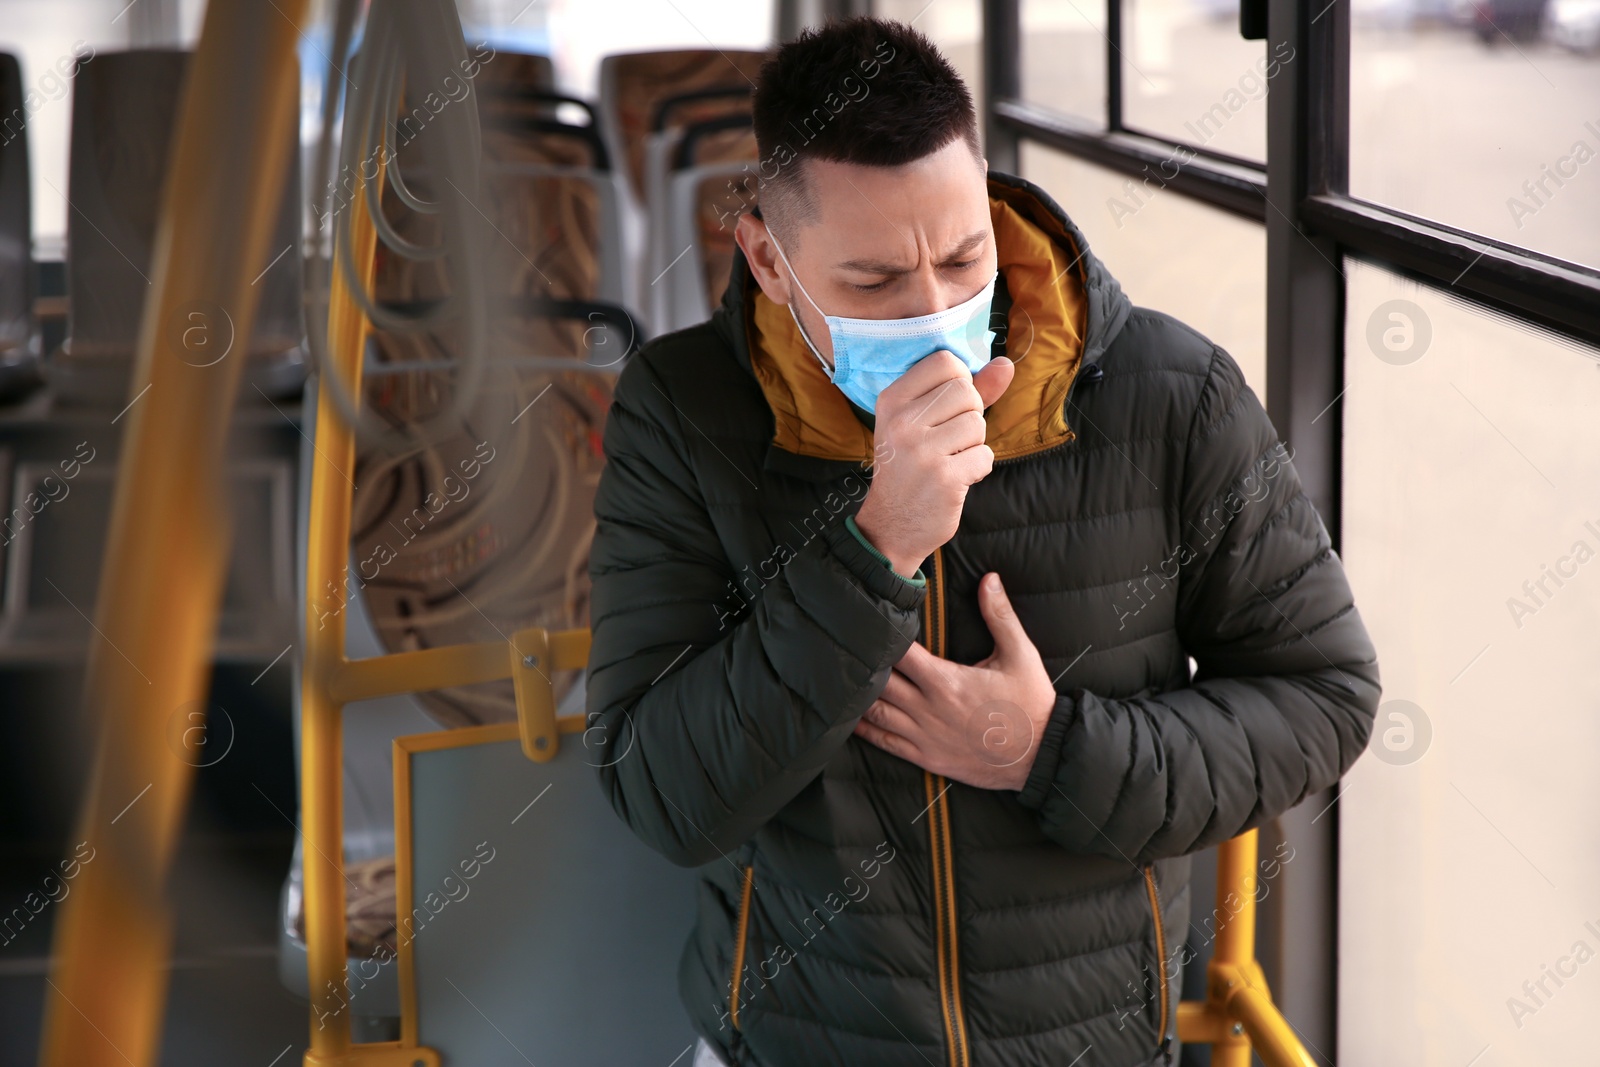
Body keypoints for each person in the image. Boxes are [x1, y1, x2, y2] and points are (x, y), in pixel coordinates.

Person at [587, 16, 1380, 1067]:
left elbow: (1324, 697)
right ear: (770, 261)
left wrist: (1050, 752)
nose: (934, 312)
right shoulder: (684, 410)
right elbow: (661, 792)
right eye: (873, 283)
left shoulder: (1170, 394)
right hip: (796, 1039)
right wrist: (877, 548)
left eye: (965, 258)